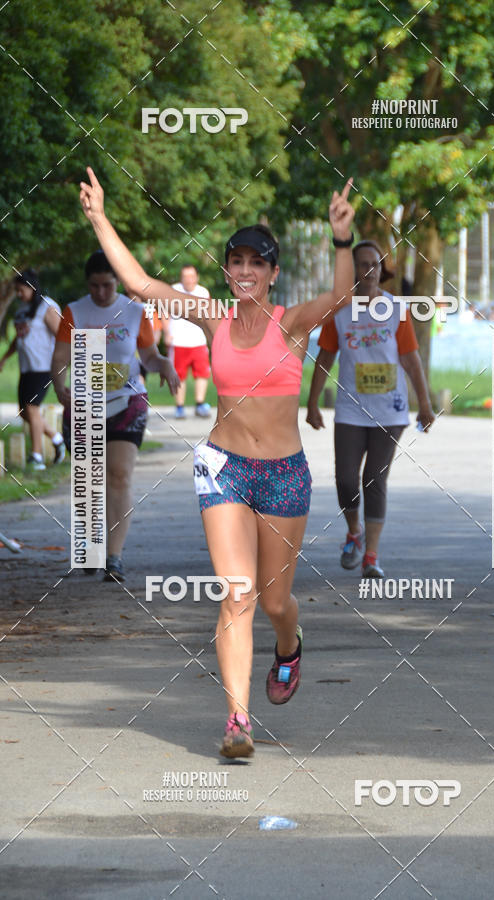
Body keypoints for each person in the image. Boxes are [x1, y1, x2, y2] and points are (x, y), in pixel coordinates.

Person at [77, 166, 355, 759]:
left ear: (273, 273)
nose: (246, 271)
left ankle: (289, 643)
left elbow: (342, 296)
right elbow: (142, 284)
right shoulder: (215, 321)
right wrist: (100, 217)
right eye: (237, 262)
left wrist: (341, 239)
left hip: (283, 474)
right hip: (224, 468)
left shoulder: (294, 323)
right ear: (227, 271)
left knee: (275, 602)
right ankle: (237, 721)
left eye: (258, 262)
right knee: (237, 592)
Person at [307, 240, 435, 577]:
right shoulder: (340, 311)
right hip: (350, 409)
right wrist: (313, 402)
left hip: (389, 410)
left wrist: (424, 403)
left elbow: (410, 359)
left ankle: (372, 556)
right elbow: (325, 357)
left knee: (374, 481)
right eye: (362, 264)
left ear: (382, 269)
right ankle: (354, 532)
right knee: (347, 480)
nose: (369, 270)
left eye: (375, 264)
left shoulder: (396, 308)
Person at [51, 250, 180, 582]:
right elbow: (61, 356)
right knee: (91, 480)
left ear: (117, 282)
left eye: (107, 285)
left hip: (127, 399)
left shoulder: (134, 311)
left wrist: (164, 364)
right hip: (84, 404)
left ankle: (114, 556)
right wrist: (59, 384)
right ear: (87, 284)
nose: (101, 293)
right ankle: (91, 546)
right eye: (94, 286)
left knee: (119, 474)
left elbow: (149, 356)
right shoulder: (75, 312)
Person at [0, 269, 65, 470]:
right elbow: (18, 340)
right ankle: (56, 438)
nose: (19, 294)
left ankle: (36, 456)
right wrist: (4, 358)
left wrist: (63, 362)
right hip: (26, 367)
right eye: (16, 291)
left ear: (31, 288)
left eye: (21, 290)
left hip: (44, 367)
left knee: (32, 408)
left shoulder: (47, 307)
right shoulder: (21, 310)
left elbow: (62, 336)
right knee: (24, 411)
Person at [164, 264, 212, 419]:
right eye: (185, 277)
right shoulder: (173, 290)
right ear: (181, 278)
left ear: (196, 277)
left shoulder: (203, 292)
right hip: (179, 341)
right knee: (179, 376)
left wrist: (211, 336)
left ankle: (199, 404)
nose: (189, 280)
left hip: (198, 340)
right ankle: (180, 407)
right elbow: (164, 313)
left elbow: (209, 316)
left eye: (191, 276)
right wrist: (167, 333)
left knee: (202, 374)